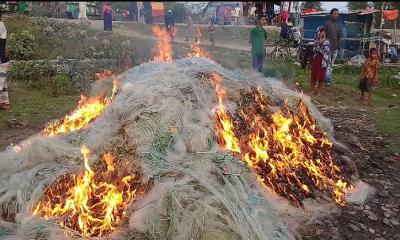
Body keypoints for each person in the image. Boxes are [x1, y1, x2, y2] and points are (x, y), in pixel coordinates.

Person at [310, 26, 331, 96]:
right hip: (317, 58)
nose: (323, 33)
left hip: (323, 60)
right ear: (319, 32)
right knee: (314, 74)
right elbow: (314, 49)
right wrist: (319, 44)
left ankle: (320, 90)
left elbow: (327, 51)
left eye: (324, 32)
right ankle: (313, 90)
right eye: (322, 32)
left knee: (321, 75)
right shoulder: (316, 40)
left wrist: (325, 57)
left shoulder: (327, 41)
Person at [324, 8, 341, 86]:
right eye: (334, 14)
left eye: (337, 14)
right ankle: (326, 80)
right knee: (327, 64)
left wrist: (338, 46)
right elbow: (323, 35)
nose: (336, 15)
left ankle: (328, 79)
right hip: (328, 48)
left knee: (331, 65)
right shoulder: (327, 24)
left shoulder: (338, 25)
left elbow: (338, 37)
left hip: (335, 48)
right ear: (331, 14)